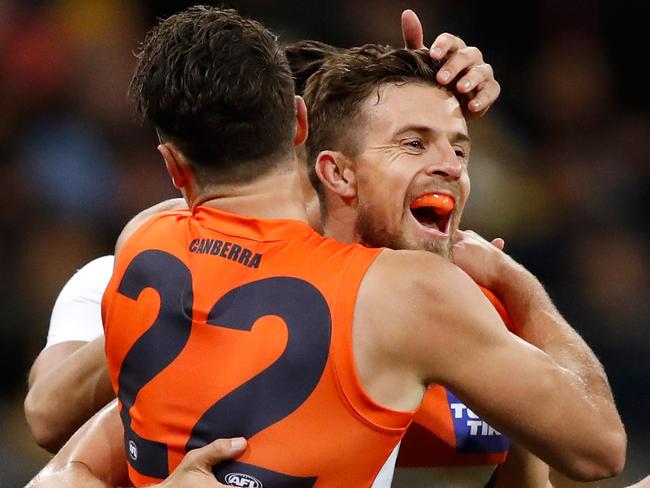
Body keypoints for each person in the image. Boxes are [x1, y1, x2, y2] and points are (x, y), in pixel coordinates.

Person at [28, 6, 626, 488]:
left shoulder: (446, 308)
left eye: (461, 148)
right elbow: (57, 437)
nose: (447, 166)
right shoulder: (144, 271)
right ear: (325, 162)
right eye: (412, 144)